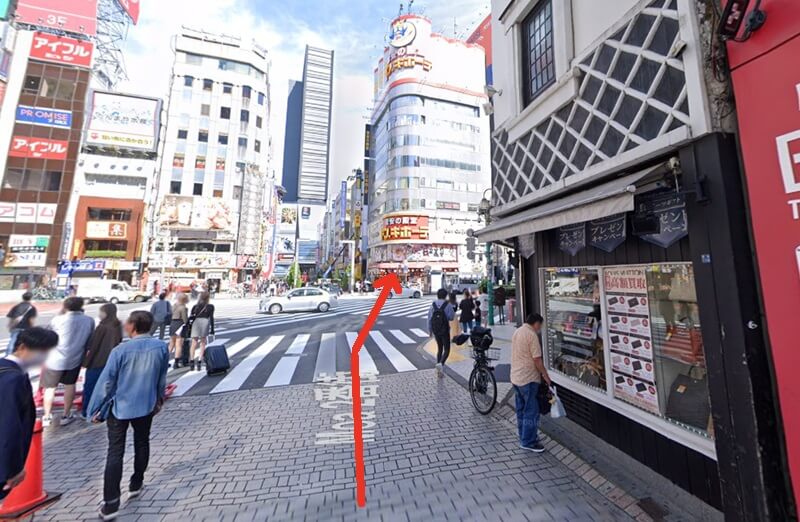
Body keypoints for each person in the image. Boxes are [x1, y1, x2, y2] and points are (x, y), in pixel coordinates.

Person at [88, 311, 168, 521]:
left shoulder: (120, 350)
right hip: (146, 404)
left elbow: (107, 382)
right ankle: (136, 482)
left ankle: (111, 503)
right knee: (142, 442)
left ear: (132, 326)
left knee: (115, 451)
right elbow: (162, 378)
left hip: (119, 406)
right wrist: (159, 399)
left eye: (127, 323)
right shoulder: (160, 347)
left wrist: (94, 408)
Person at [0, 328, 59, 506]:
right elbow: (10, 428)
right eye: (42, 352)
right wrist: (13, 470)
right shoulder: (14, 379)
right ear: (23, 347)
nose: (44, 358)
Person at [42, 297, 95, 427]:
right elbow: (90, 339)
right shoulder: (89, 320)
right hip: (75, 358)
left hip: (54, 358)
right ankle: (66, 414)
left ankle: (47, 416)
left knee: (50, 388)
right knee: (70, 385)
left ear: (65, 306)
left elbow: (47, 334)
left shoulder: (57, 319)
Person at [511, 313, 551, 453]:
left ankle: (524, 435)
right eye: (540, 325)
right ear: (536, 323)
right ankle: (528, 441)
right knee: (531, 411)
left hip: (516, 377)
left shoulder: (518, 331)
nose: (540, 328)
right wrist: (545, 376)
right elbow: (537, 360)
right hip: (528, 379)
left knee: (521, 409)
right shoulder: (531, 335)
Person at [81, 303, 123, 418]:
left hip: (97, 361)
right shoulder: (117, 325)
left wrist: (86, 362)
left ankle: (87, 411)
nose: (99, 314)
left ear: (106, 313)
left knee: (90, 387)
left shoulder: (102, 327)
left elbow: (94, 346)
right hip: (111, 360)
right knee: (106, 388)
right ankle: (102, 410)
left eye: (101, 312)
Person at [427, 289, 456, 378]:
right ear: (445, 295)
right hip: (444, 330)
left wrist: (430, 331)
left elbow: (429, 318)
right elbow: (451, 317)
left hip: (436, 330)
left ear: (437, 295)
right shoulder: (448, 305)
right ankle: (441, 364)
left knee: (440, 349)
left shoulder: (433, 305)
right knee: (447, 349)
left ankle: (439, 369)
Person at [188, 292, 215, 371]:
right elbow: (211, 318)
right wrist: (212, 329)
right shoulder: (210, 307)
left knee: (194, 342)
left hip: (196, 322)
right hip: (205, 322)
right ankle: (199, 361)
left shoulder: (195, 307)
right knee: (203, 342)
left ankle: (192, 361)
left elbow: (191, 317)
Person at [169, 293, 190, 368]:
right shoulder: (183, 308)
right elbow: (185, 319)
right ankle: (176, 362)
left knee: (171, 343)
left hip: (172, 324)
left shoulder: (174, 306)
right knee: (178, 344)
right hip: (180, 324)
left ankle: (165, 361)